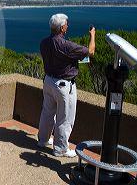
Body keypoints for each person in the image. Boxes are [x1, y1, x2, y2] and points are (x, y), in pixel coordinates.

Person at [37, 13, 95, 157]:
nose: (67, 26)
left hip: (48, 81)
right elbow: (91, 52)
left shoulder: (44, 42)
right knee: (65, 118)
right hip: (63, 85)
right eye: (66, 25)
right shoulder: (66, 45)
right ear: (62, 28)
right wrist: (92, 35)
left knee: (47, 113)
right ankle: (60, 149)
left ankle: (43, 140)